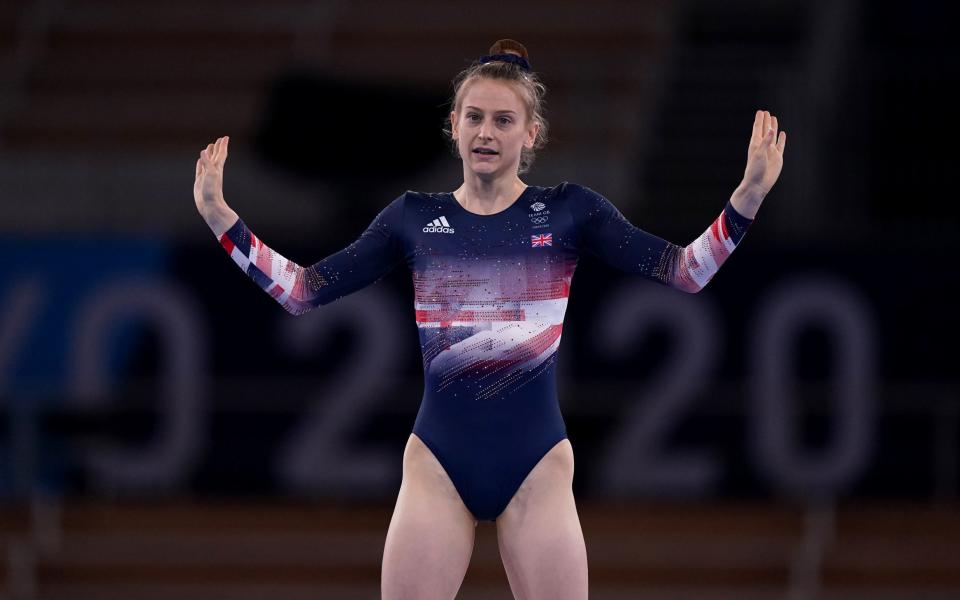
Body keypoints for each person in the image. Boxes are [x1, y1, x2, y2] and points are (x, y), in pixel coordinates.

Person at [193, 39, 785, 600]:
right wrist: (224, 221)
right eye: (474, 117)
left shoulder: (570, 211)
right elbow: (302, 291)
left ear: (532, 134)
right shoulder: (411, 219)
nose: (486, 132)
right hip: (438, 462)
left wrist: (748, 198)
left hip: (537, 462)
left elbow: (684, 272)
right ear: (453, 126)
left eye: (504, 120)